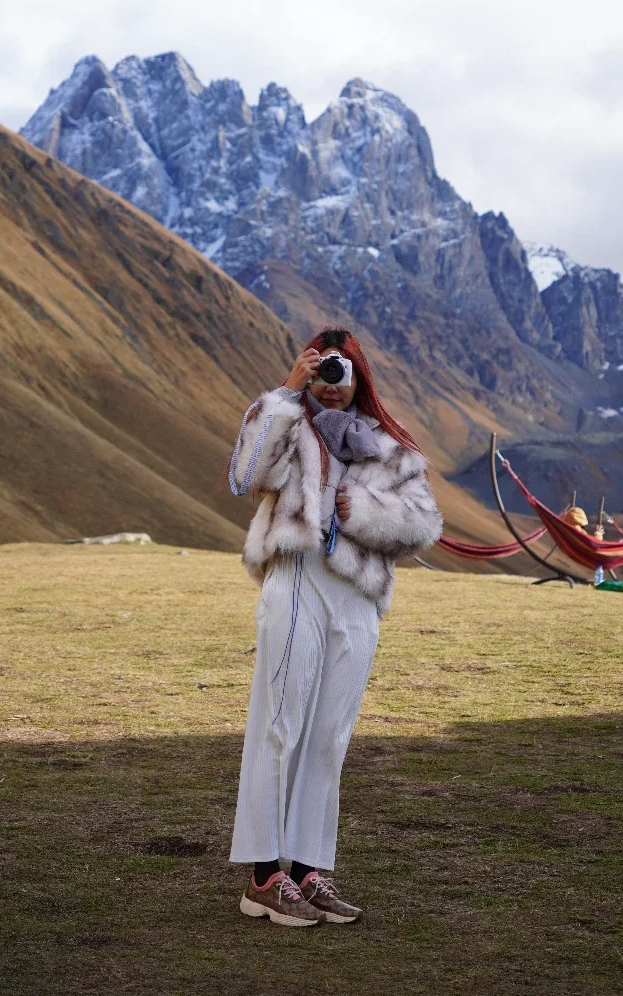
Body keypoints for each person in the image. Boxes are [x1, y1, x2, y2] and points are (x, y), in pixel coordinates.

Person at [227, 327, 442, 926]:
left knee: (330, 736)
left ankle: (305, 870)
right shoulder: (287, 425)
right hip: (297, 577)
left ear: (361, 377)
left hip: (357, 598)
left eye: (343, 372)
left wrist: (366, 513)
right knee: (280, 724)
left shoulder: (390, 447)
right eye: (323, 369)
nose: (333, 384)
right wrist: (285, 393)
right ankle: (263, 877)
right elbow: (243, 474)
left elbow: (425, 524)